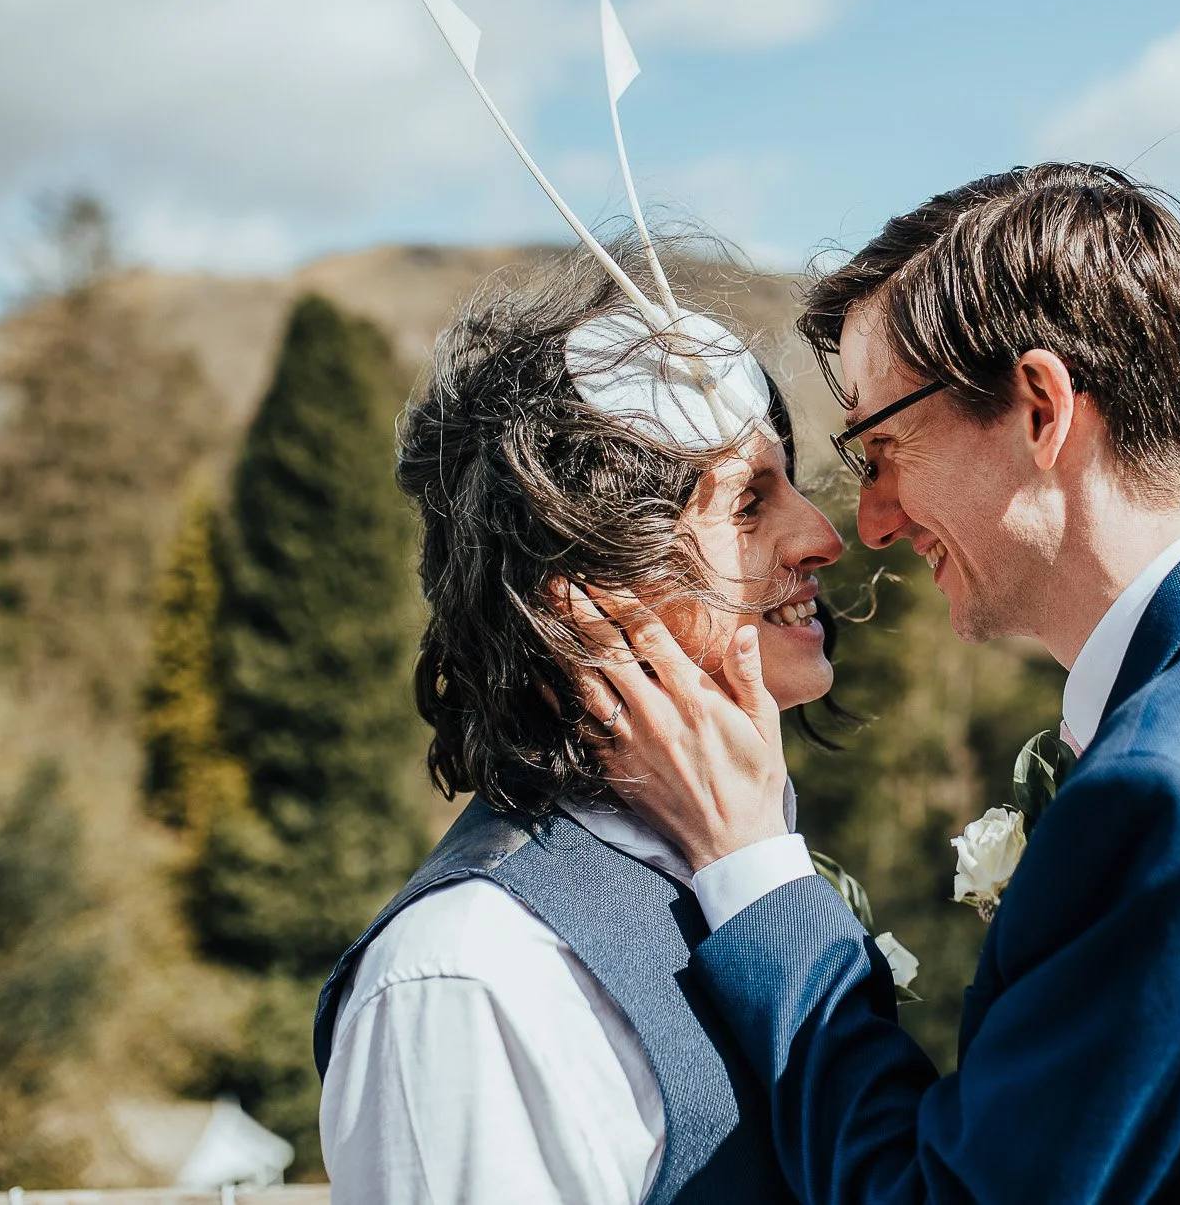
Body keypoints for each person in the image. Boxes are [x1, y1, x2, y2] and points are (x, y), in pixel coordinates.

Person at [574, 163, 1180, 1202]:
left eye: (882, 447)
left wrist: (749, 863)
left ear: (1038, 408)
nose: (869, 521)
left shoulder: (1172, 794)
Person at [311, 243, 846, 1205]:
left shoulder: (752, 865)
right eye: (750, 504)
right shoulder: (469, 980)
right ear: (599, 594)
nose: (823, 537)